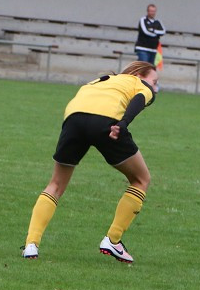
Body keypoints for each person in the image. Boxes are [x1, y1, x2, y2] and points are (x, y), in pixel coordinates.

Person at [22, 61, 158, 263]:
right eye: (154, 81)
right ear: (139, 74)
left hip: (73, 119)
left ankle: (31, 245)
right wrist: (123, 123)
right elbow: (139, 99)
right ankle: (113, 240)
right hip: (106, 120)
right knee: (141, 179)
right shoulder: (139, 84)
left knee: (56, 184)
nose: (155, 87)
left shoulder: (100, 81)